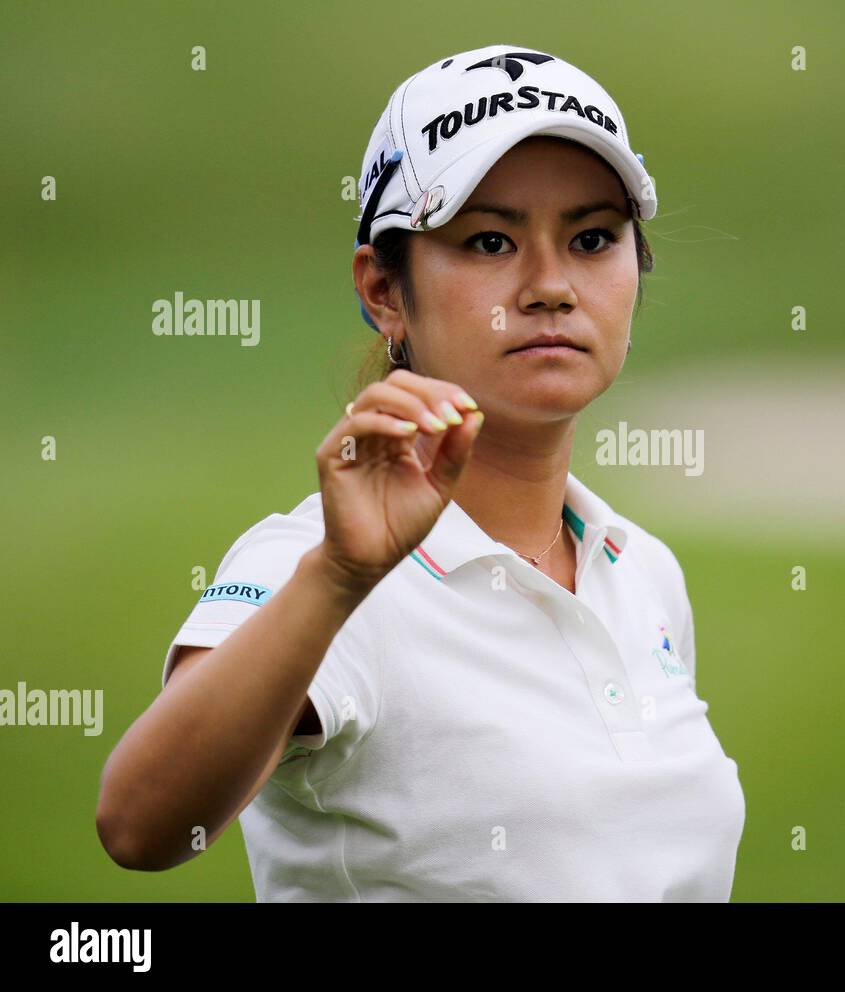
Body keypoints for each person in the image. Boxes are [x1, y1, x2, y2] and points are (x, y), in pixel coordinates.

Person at [96, 43, 746, 902]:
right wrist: (336, 578)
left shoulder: (642, 570)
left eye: (593, 238)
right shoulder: (318, 563)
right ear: (384, 290)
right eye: (488, 240)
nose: (550, 285)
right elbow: (142, 825)